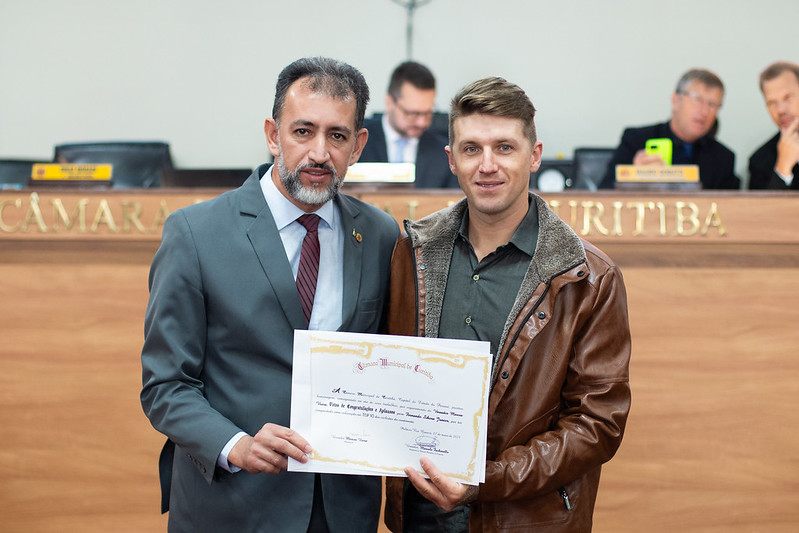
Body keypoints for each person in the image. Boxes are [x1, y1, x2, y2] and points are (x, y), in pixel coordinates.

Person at [140, 57, 399, 532]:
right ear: (273, 135)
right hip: (232, 506)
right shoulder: (195, 233)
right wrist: (234, 445)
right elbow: (165, 385)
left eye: (337, 136)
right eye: (303, 131)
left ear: (358, 145)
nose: (319, 153)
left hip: (341, 512)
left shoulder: (381, 236)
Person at [385, 77, 632, 532]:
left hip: (525, 518)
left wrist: (485, 480)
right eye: (471, 149)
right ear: (451, 159)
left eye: (504, 147)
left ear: (534, 156)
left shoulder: (589, 276)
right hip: (421, 516)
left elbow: (597, 424)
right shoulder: (411, 252)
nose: (487, 165)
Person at [600, 68, 739, 189]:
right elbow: (604, 194)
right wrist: (633, 178)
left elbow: (732, 207)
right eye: (697, 100)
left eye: (712, 104)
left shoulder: (723, 158)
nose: (704, 111)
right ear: (675, 100)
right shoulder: (636, 140)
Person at [359, 61, 459, 188]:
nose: (421, 122)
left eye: (427, 113)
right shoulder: (358, 143)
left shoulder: (444, 153)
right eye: (412, 113)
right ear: (389, 102)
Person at [748, 61, 799, 190]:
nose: (780, 110)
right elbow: (762, 204)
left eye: (787, 98)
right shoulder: (759, 161)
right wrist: (782, 169)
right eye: (772, 103)